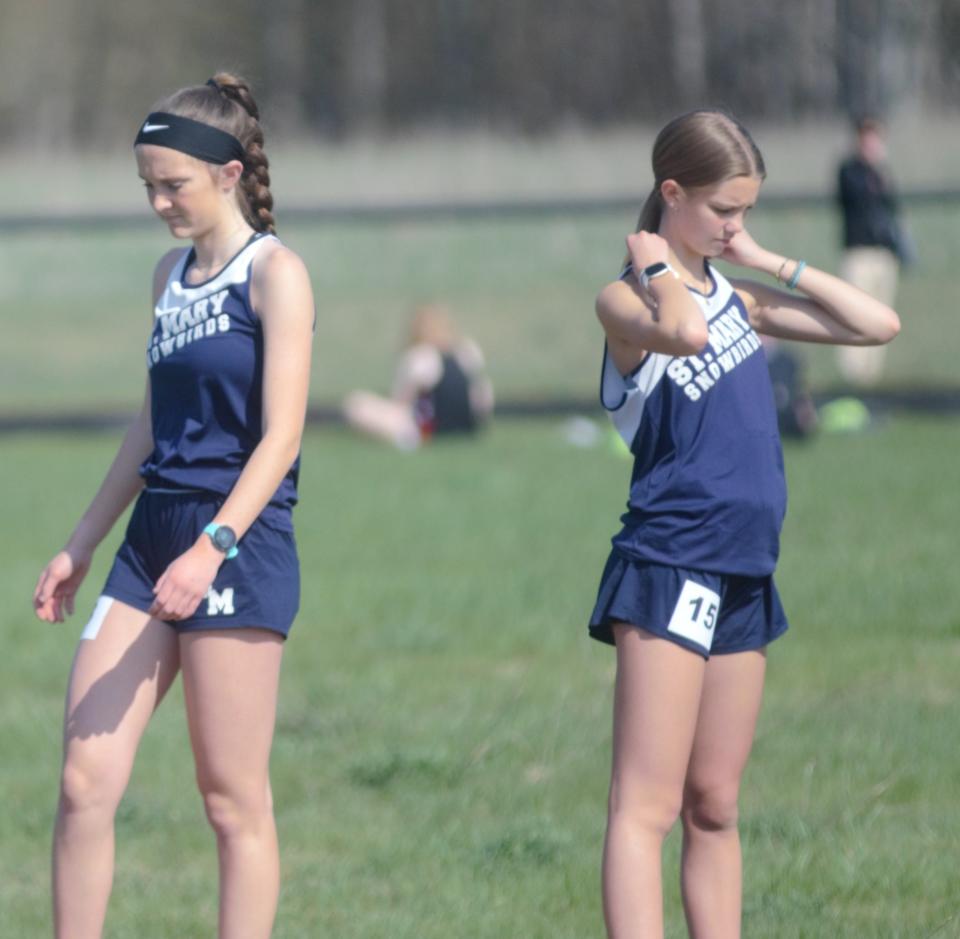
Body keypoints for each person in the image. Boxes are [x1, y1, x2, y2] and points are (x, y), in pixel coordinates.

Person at [588, 109, 899, 939]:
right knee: (645, 807)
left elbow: (877, 325)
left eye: (748, 211)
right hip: (670, 561)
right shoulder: (624, 300)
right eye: (726, 210)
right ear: (672, 192)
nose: (737, 226)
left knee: (716, 804)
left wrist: (768, 262)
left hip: (743, 565)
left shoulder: (740, 294)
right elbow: (683, 332)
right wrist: (657, 262)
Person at [32, 73, 314, 939]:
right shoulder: (168, 277)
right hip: (152, 537)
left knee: (230, 801)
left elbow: (283, 436)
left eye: (172, 184)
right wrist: (82, 541)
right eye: (148, 186)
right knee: (83, 782)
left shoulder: (276, 273)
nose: (158, 202)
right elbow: (150, 426)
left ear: (229, 174)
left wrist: (214, 545)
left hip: (236, 543)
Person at [342, 303, 493, 449]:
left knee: (355, 404)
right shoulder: (467, 352)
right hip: (467, 426)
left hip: (426, 430)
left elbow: (400, 403)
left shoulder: (419, 357)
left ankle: (407, 440)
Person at [835, 116, 909, 386]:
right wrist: (872, 167)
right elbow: (856, 198)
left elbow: (892, 207)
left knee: (882, 315)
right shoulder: (850, 170)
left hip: (883, 253)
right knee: (854, 314)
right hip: (859, 252)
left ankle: (872, 377)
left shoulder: (883, 172)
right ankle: (853, 377)